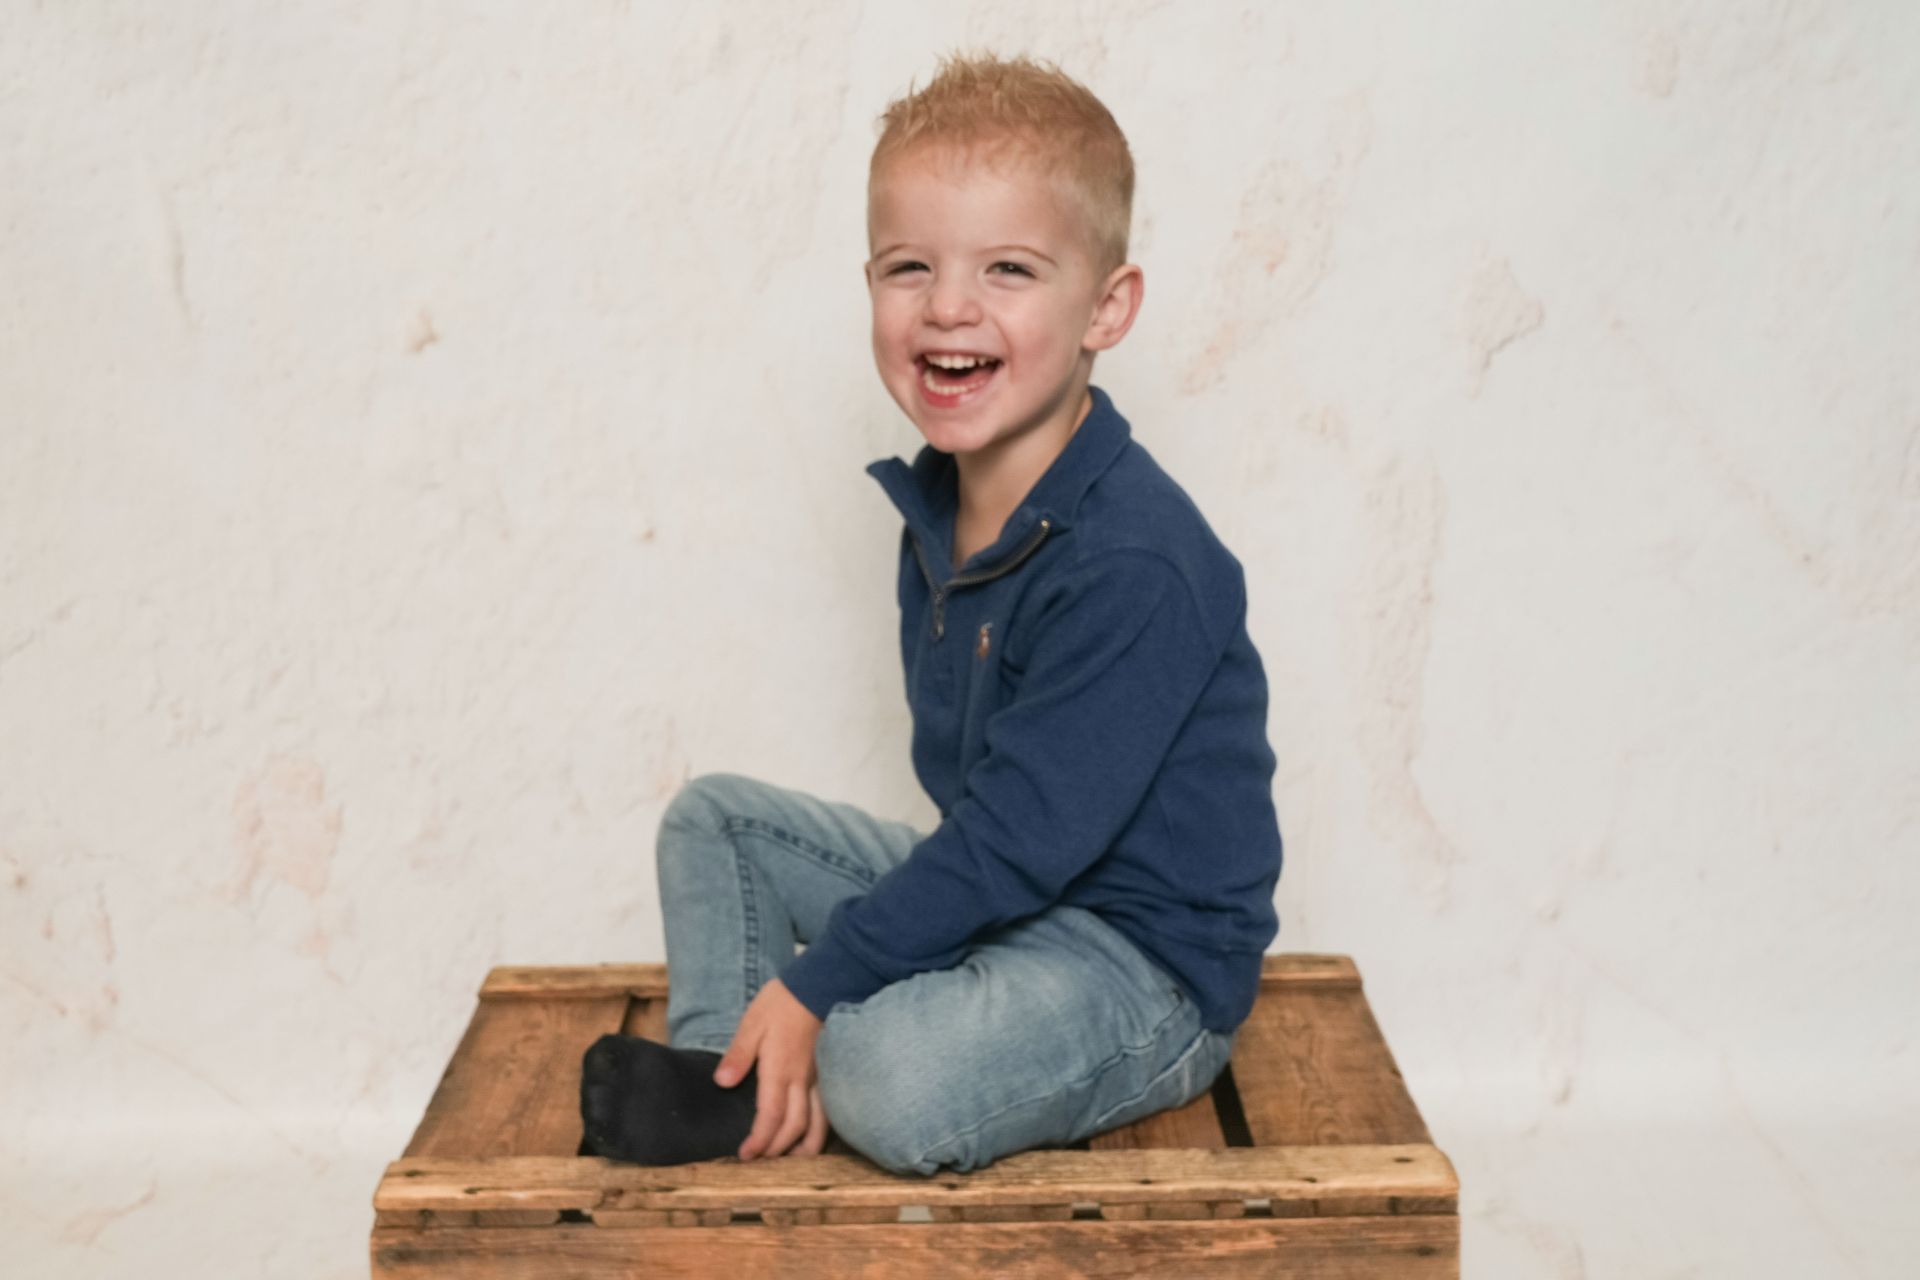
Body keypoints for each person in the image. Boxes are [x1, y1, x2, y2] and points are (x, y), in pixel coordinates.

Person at [580, 50, 1283, 1177]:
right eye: (910, 266)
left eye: (1009, 268)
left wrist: (822, 982)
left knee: (889, 1076)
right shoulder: (941, 508)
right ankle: (729, 1084)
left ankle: (797, 1068)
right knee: (715, 820)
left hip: (1141, 966)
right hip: (1016, 895)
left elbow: (1020, 839)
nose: (949, 306)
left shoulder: (1139, 561)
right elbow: (991, 839)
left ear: (1109, 306)